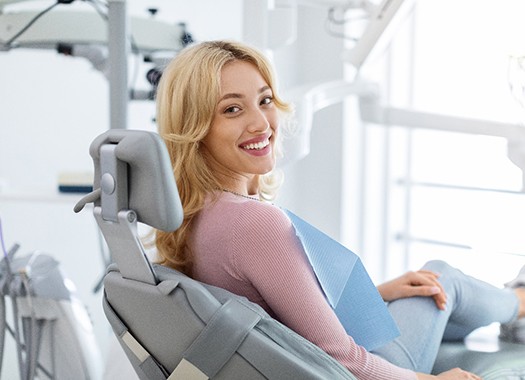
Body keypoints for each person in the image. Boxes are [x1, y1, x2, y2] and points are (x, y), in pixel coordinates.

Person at [153, 40, 525, 380]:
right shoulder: (251, 223)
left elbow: (278, 314)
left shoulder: (192, 212)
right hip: (366, 369)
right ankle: (519, 305)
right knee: (441, 279)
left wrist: (380, 293)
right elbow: (341, 359)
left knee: (426, 290)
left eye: (264, 100)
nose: (261, 123)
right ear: (195, 127)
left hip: (297, 358)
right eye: (232, 109)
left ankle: (510, 311)